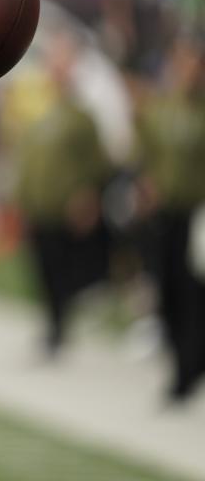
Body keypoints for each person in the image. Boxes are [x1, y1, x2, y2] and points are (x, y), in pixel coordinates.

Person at [14, 31, 112, 357]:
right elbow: (27, 159)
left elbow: (95, 163)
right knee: (41, 269)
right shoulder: (39, 113)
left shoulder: (81, 117)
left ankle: (60, 327)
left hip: (63, 207)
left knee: (61, 269)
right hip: (37, 206)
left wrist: (86, 197)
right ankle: (51, 324)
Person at [134, 35, 205, 401]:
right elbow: (147, 154)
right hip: (166, 214)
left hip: (197, 213)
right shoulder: (162, 107)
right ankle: (181, 363)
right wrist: (147, 186)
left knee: (194, 293)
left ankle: (189, 370)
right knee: (169, 291)